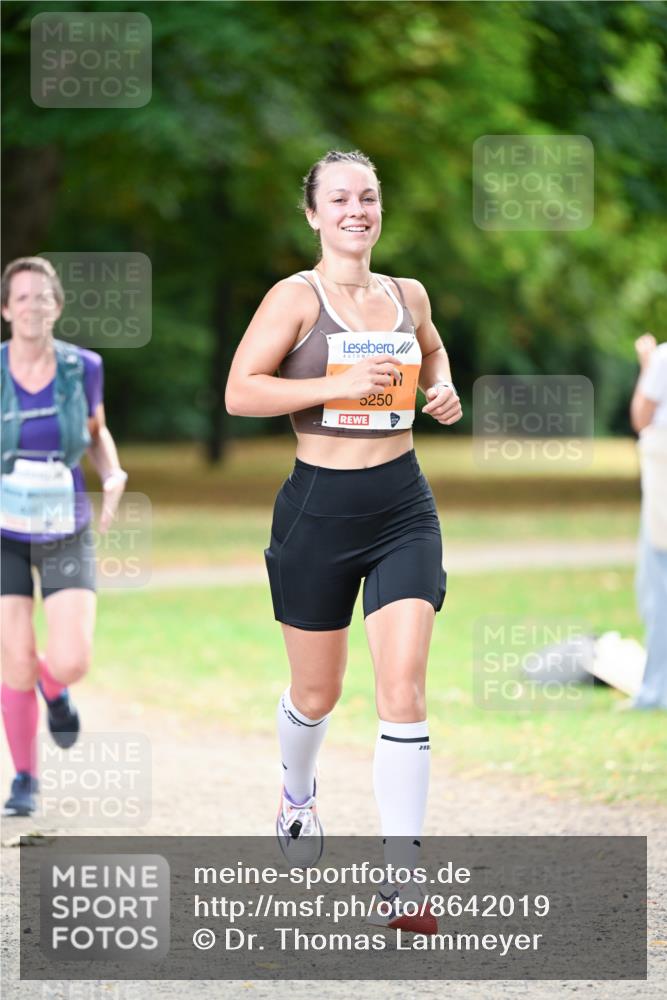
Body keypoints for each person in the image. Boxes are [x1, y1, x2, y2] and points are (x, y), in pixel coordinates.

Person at [225, 150, 462, 932]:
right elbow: (241, 390)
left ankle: (402, 882)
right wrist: (333, 385)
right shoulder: (295, 298)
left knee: (403, 688)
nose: (356, 209)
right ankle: (296, 795)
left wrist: (440, 384)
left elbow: (428, 347)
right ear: (314, 214)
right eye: (339, 199)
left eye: (368, 197)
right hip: (316, 512)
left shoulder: (408, 294)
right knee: (317, 693)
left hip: (401, 505)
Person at [1, 256, 127, 815]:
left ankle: (56, 688)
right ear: (6, 309)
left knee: (71, 658)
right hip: (3, 530)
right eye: (21, 297)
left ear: (57, 306)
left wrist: (114, 472)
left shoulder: (84, 368)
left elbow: (96, 434)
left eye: (41, 296)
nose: (32, 306)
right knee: (14, 658)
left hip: (63, 525)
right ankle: (25, 777)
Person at [630, 332, 667, 709]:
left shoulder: (664, 358)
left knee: (657, 586)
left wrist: (647, 366)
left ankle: (657, 691)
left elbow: (642, 416)